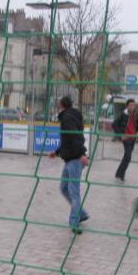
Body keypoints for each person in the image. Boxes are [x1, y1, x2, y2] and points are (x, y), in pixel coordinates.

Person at [49, 96, 90, 234]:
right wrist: (57, 152)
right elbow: (68, 140)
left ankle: (74, 222)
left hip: (75, 159)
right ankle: (82, 213)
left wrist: (81, 155)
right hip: (70, 159)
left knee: (74, 191)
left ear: (61, 105)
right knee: (63, 188)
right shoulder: (73, 116)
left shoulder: (67, 118)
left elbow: (75, 137)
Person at [112, 99, 138, 181]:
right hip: (126, 138)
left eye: (134, 105)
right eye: (131, 105)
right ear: (127, 106)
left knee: (127, 157)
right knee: (128, 156)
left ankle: (119, 173)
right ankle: (122, 175)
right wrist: (120, 135)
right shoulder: (123, 114)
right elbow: (114, 124)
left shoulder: (135, 115)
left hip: (133, 138)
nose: (132, 107)